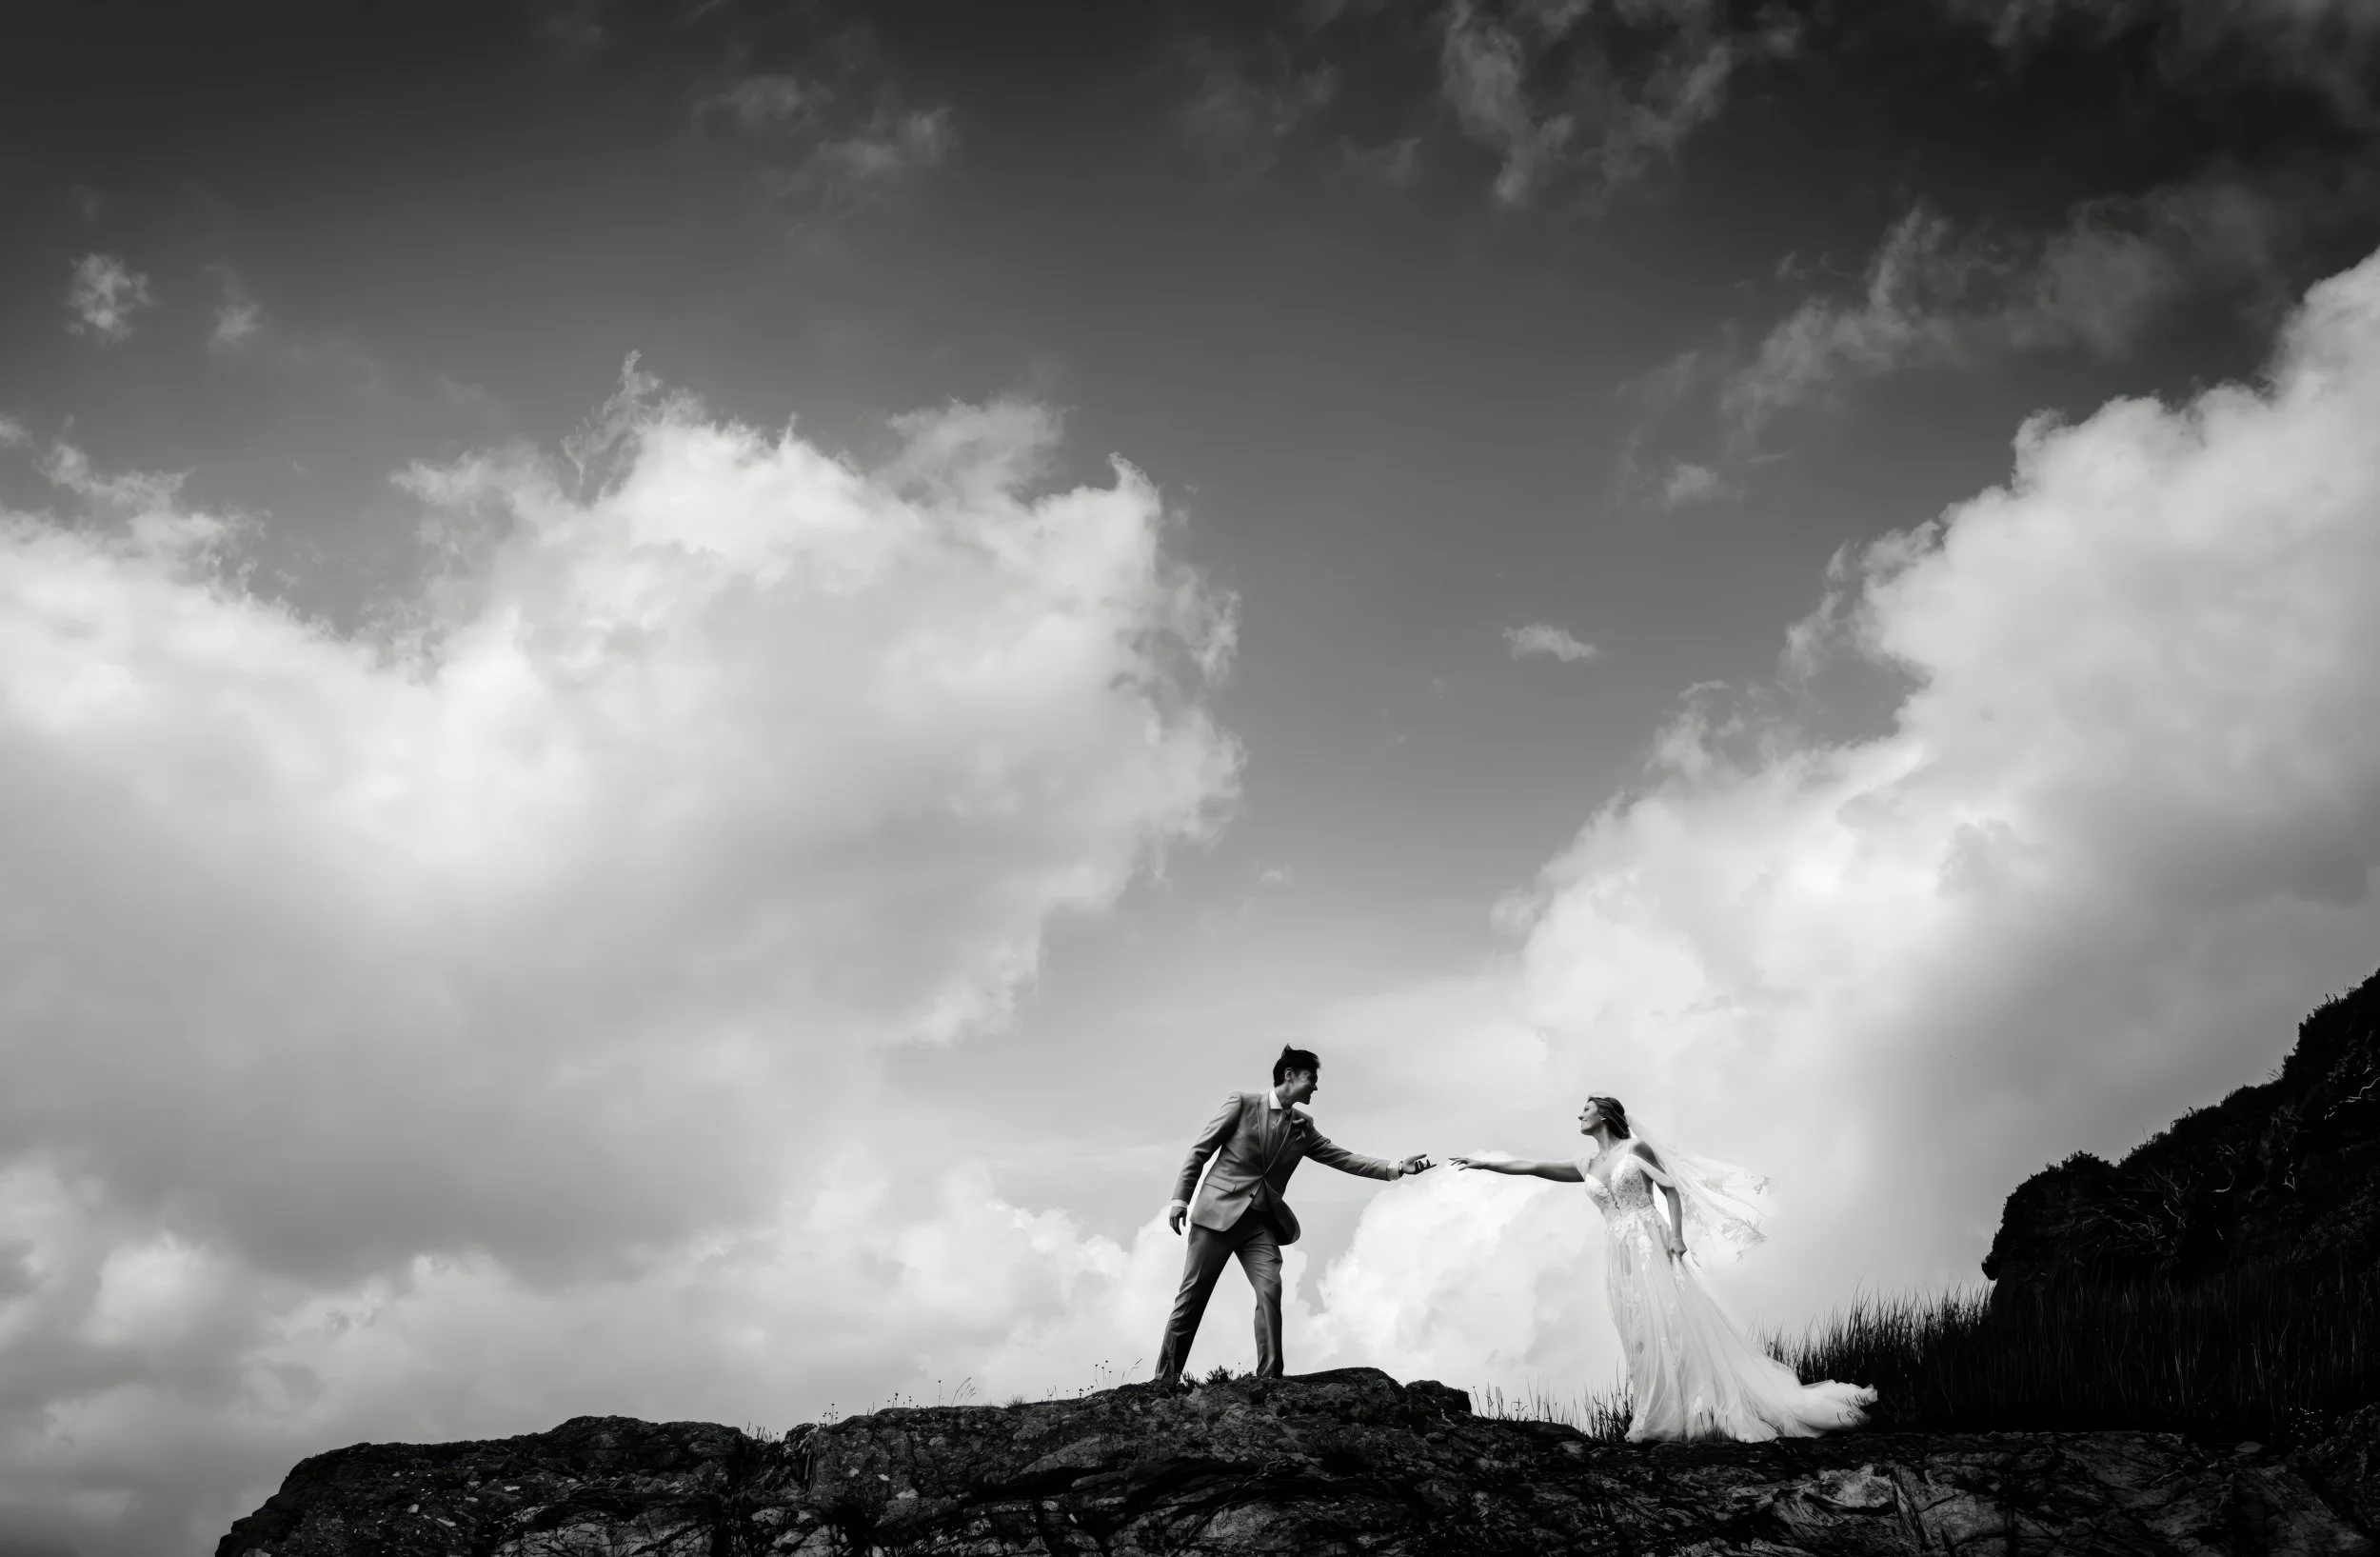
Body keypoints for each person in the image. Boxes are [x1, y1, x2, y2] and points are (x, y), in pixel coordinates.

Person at [1451, 1096, 1874, 1441]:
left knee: (1670, 1319)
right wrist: (1484, 1163)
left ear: (1605, 1115)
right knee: (1640, 1330)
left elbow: (1670, 1188)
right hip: (1618, 1252)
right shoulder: (1585, 1165)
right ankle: (1661, 1412)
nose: (1578, 1114)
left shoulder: (1635, 1149)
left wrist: (1676, 1236)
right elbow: (1533, 1167)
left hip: (1649, 1240)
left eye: (1585, 1109)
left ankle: (1706, 1407)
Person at [1153, 1046, 1433, 1386]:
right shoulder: (1241, 1104)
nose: (1315, 1087)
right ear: (1290, 1076)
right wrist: (1180, 1200)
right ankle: (1164, 1382)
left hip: (1259, 1224)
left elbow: (1341, 1157)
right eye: (1311, 1079)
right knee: (1192, 1298)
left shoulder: (1303, 1125)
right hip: (1217, 1215)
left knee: (1270, 1290)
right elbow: (1201, 1150)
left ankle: (1269, 1380)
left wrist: (1394, 1167)